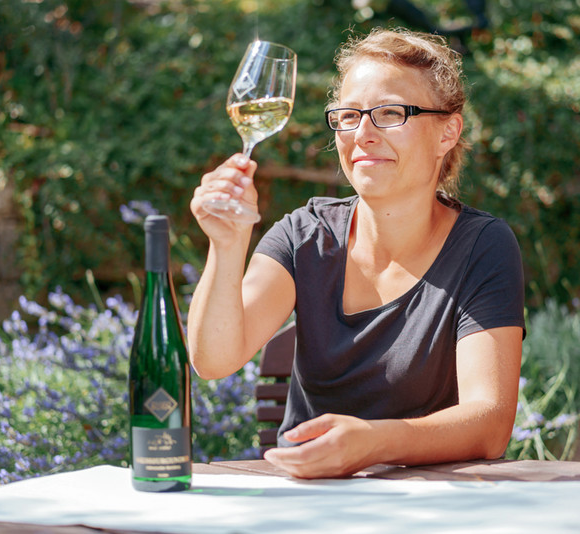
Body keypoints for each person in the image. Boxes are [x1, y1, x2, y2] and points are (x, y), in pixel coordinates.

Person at [188, 27, 525, 479]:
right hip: (306, 500)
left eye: (390, 113)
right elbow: (213, 359)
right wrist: (226, 246)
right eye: (348, 115)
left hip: (432, 508)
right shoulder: (303, 235)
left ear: (448, 132)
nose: (362, 133)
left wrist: (374, 444)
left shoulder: (482, 246)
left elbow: (490, 424)